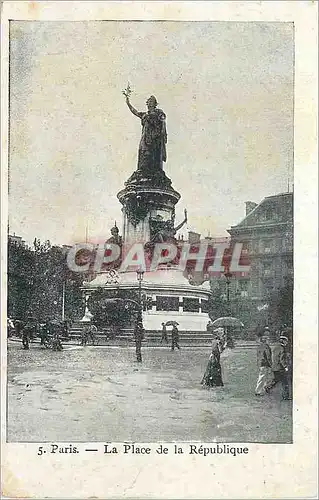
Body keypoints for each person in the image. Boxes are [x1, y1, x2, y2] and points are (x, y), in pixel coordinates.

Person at [125, 94, 167, 172]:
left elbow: (162, 121)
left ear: (155, 104)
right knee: (143, 153)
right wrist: (128, 103)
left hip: (154, 139)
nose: (149, 103)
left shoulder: (159, 113)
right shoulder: (144, 115)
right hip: (145, 138)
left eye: (151, 101)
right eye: (148, 101)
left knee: (153, 155)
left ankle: (153, 172)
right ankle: (142, 170)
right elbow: (135, 112)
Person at [265, 335, 291, 400]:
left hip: (275, 367)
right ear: (283, 341)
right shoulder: (282, 348)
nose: (287, 342)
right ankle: (286, 396)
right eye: (286, 341)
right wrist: (285, 367)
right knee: (285, 382)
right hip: (280, 368)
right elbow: (281, 359)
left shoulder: (276, 347)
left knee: (276, 380)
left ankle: (268, 387)